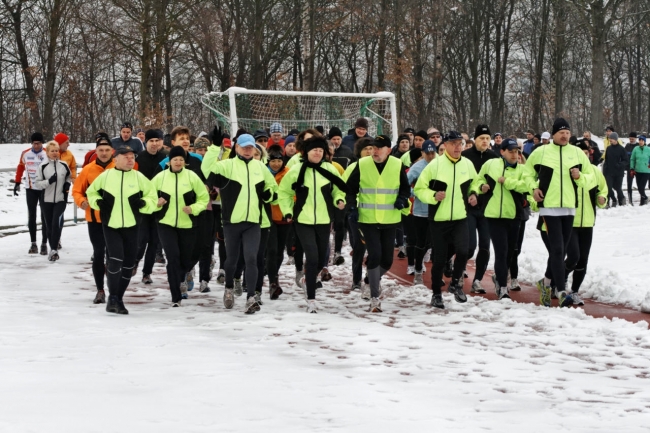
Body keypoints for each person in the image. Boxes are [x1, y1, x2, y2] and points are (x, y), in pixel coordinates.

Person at [201, 133, 277, 314]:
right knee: (232, 259)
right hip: (231, 222)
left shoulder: (261, 167)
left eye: (251, 147)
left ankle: (251, 297)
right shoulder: (227, 166)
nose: (248, 150)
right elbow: (207, 170)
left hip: (253, 221)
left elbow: (273, 188)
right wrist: (214, 148)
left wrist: (270, 194)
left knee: (251, 258)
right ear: (237, 148)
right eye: (244, 147)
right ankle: (228, 288)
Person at [522, 117, 594, 308]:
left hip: (570, 207)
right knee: (557, 249)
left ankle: (545, 282)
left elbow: (591, 177)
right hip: (549, 205)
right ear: (553, 134)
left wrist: (580, 177)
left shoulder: (577, 153)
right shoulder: (541, 152)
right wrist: (533, 189)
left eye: (567, 133)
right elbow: (527, 174)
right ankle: (561, 291)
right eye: (561, 132)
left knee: (565, 251)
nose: (565, 136)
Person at [86, 146, 158, 315]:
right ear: (115, 159)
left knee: (128, 264)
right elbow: (91, 192)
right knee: (115, 259)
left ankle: (118, 298)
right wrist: (98, 202)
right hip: (111, 224)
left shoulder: (139, 177)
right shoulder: (106, 176)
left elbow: (152, 197)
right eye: (126, 156)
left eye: (132, 156)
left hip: (132, 226)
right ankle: (112, 297)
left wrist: (144, 204)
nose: (130, 159)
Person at [279, 136, 346, 313]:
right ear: (307, 152)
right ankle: (311, 300)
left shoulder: (329, 169)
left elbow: (339, 189)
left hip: (324, 221)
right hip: (303, 220)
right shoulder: (296, 170)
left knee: (320, 260)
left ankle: (306, 279)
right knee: (312, 256)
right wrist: (287, 211)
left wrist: (339, 199)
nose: (317, 152)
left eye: (320, 150)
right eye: (314, 150)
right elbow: (284, 192)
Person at [345, 135, 411, 312]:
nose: (375, 151)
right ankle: (374, 297)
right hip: (368, 219)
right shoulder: (362, 164)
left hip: (390, 219)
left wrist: (402, 199)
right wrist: (352, 207)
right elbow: (350, 189)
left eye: (379, 148)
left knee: (387, 260)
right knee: (374, 255)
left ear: (388, 150)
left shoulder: (397, 165)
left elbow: (405, 188)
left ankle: (369, 279)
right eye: (373, 147)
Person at [415, 131, 478, 309]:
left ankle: (455, 284)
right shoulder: (435, 165)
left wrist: (474, 193)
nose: (458, 147)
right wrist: (433, 195)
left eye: (461, 144)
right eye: (454, 144)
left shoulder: (467, 164)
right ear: (446, 145)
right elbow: (420, 189)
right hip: (439, 219)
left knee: (464, 251)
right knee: (440, 258)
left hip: (460, 217)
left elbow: (475, 182)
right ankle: (436, 294)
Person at [472, 138, 529, 300]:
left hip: (514, 215)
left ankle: (499, 277)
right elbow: (478, 180)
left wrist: (507, 182)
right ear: (502, 152)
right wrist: (481, 187)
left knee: (511, 252)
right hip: (493, 215)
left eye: (516, 151)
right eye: (510, 151)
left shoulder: (522, 170)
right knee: (501, 251)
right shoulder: (491, 165)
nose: (514, 154)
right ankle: (503, 287)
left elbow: (526, 186)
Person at [152, 146, 209, 307]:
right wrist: (157, 204)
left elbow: (203, 199)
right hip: (165, 223)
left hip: (188, 224)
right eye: (175, 159)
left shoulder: (192, 177)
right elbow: (148, 198)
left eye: (181, 160)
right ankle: (175, 295)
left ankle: (183, 275)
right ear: (169, 162)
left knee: (186, 259)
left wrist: (193, 209)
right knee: (173, 258)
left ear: (185, 162)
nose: (178, 162)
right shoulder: (160, 178)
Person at [563, 141, 608, 306]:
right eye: (581, 152)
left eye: (587, 152)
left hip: (588, 221)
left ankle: (574, 291)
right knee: (573, 256)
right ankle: (559, 278)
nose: (585, 155)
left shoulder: (595, 171)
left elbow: (603, 189)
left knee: (583, 259)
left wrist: (601, 199)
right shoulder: (567, 172)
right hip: (570, 220)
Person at [73, 133, 115, 304]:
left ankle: (114, 289)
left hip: (116, 219)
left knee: (113, 255)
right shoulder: (88, 169)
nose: (104, 153)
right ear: (96, 151)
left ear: (112, 151)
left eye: (106, 150)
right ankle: (100, 289)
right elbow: (77, 190)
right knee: (99, 253)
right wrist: (81, 201)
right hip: (94, 219)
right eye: (100, 150)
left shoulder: (119, 168)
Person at [462, 124, 498, 294]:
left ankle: (477, 280)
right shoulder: (465, 157)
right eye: (481, 138)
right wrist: (471, 194)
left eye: (487, 138)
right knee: (469, 247)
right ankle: (457, 266)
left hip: (487, 208)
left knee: (485, 245)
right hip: (467, 207)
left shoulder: (494, 158)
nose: (484, 141)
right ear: (474, 139)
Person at [133, 129, 166, 284]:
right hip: (143, 204)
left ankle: (147, 272)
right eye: (151, 141)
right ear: (145, 142)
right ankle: (135, 261)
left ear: (161, 142)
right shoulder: (139, 158)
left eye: (157, 141)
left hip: (160, 205)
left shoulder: (166, 158)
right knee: (142, 238)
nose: (154, 144)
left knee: (154, 241)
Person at [34, 141, 71, 262]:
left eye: (56, 151)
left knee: (56, 223)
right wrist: (49, 181)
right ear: (47, 152)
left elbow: (68, 176)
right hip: (46, 200)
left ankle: (54, 249)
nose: (55, 153)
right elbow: (37, 183)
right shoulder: (42, 167)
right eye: (52, 151)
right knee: (49, 225)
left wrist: (67, 184)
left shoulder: (64, 165)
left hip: (60, 199)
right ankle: (52, 249)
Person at [407, 141, 437, 285]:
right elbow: (404, 186)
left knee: (434, 242)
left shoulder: (440, 165)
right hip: (421, 211)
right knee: (421, 242)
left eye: (433, 153)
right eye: (428, 153)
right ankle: (418, 269)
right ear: (423, 153)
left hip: (438, 210)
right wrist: (417, 193)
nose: (431, 156)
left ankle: (438, 273)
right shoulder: (417, 168)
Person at [15, 132, 48, 254]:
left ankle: (44, 243)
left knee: (44, 217)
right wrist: (17, 182)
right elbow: (20, 167)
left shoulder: (47, 153)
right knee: (32, 216)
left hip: (44, 188)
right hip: (30, 188)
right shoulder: (26, 153)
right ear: (32, 143)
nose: (36, 146)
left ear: (42, 143)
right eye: (34, 143)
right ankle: (33, 243)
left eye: (39, 143)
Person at [266, 145, 291, 299]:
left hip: (283, 217)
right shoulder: (263, 172)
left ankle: (272, 274)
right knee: (271, 250)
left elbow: (292, 193)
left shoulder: (288, 173)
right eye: (273, 161)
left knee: (280, 251)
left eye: (278, 161)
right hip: (268, 218)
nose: (276, 164)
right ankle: (273, 282)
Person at [602, 131, 628, 207]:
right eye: (610, 138)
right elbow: (606, 160)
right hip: (609, 172)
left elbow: (626, 160)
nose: (610, 140)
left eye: (612, 139)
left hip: (619, 172)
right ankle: (607, 202)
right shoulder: (608, 148)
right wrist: (605, 170)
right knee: (608, 188)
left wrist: (619, 165)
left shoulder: (621, 149)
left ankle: (621, 200)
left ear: (616, 139)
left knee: (618, 188)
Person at [630, 135, 650, 206]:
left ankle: (645, 197)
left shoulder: (648, 149)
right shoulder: (636, 149)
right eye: (640, 140)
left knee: (642, 186)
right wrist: (632, 168)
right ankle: (642, 201)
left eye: (642, 140)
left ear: (644, 141)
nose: (640, 142)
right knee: (639, 187)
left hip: (646, 170)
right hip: (637, 170)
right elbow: (632, 159)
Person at [625, 132, 639, 205]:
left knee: (639, 184)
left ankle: (642, 197)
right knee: (629, 183)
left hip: (637, 168)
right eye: (630, 138)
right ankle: (630, 199)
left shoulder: (638, 146)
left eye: (632, 138)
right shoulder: (627, 145)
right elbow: (624, 155)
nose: (631, 140)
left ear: (635, 138)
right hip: (629, 167)